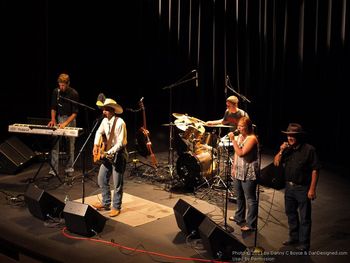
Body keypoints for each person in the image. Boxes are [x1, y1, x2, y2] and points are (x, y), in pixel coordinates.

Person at [273, 123, 321, 252]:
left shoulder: (309, 150)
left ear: (298, 136)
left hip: (302, 188)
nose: (289, 137)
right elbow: (276, 162)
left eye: (293, 135)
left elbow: (315, 170)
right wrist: (281, 150)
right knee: (291, 213)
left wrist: (312, 189)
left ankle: (304, 244)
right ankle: (294, 237)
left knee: (305, 217)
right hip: (289, 187)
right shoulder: (287, 149)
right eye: (288, 135)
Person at [92, 98, 128, 217]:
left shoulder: (120, 122)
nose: (104, 112)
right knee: (101, 178)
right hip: (108, 154)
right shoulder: (104, 121)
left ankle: (116, 206)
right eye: (103, 109)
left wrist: (108, 152)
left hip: (118, 154)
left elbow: (121, 143)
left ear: (113, 110)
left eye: (106, 110)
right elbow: (98, 132)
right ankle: (106, 202)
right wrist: (96, 145)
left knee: (117, 183)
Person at [227, 116, 259, 231]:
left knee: (250, 198)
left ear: (248, 127)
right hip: (239, 170)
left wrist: (233, 140)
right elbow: (236, 154)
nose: (239, 128)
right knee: (239, 196)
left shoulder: (252, 139)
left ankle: (251, 224)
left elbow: (241, 153)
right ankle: (239, 217)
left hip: (249, 172)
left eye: (242, 126)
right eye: (238, 126)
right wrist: (234, 167)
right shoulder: (240, 136)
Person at [48, 73, 79, 176]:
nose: (61, 87)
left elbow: (75, 113)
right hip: (59, 118)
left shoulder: (74, 93)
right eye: (60, 85)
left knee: (70, 145)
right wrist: (53, 119)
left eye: (63, 85)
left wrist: (66, 123)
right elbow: (53, 107)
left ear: (68, 84)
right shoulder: (56, 92)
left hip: (69, 119)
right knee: (54, 144)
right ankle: (53, 170)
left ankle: (69, 168)